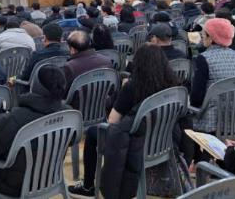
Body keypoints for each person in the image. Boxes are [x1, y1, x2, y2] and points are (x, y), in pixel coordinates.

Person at [68, 44, 179, 197]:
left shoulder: (132, 87)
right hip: (162, 142)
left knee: (93, 133)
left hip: (133, 145)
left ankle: (88, 187)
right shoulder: (172, 85)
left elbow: (112, 120)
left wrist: (121, 93)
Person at [0, 66, 70, 197]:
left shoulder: (15, 118)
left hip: (13, 185)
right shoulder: (68, 113)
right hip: (51, 177)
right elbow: (73, 139)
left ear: (36, 87)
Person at [190, 18, 235, 133]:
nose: (202, 36)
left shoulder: (203, 58)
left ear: (211, 37)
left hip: (212, 123)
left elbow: (197, 98)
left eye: (204, 34)